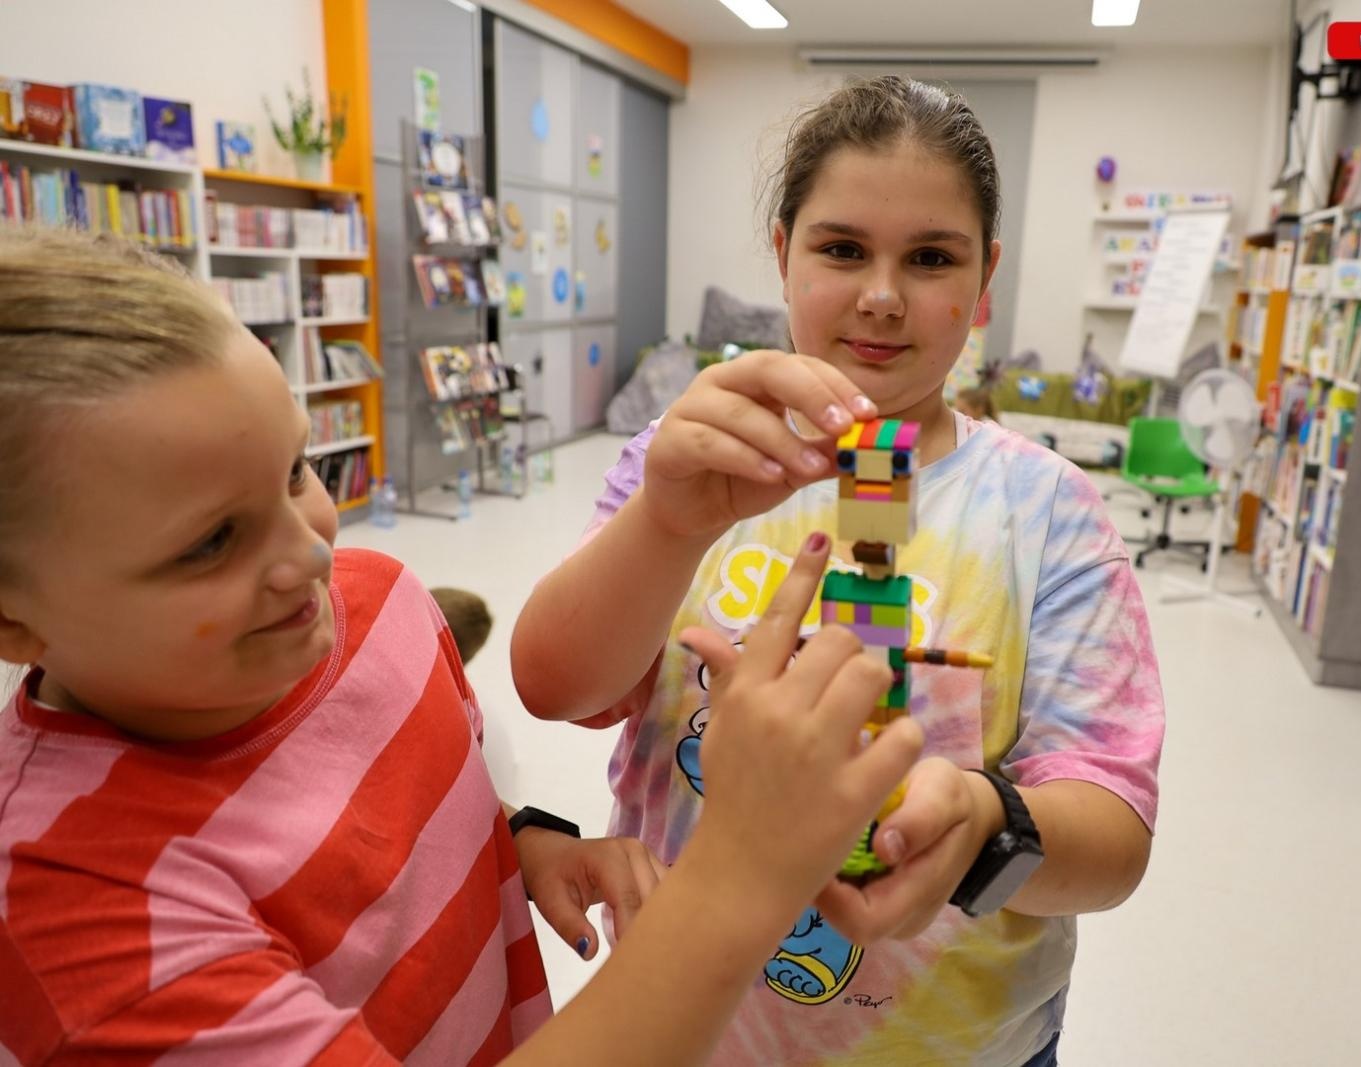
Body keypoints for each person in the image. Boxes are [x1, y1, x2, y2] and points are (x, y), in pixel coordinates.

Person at [0, 228, 921, 1065]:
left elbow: (415, 799)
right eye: (211, 541)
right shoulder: (78, 921)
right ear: (13, 619)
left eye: (296, 471)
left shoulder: (379, 605)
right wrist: (743, 869)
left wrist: (519, 841)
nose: (312, 553)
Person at [512, 75, 1165, 1065]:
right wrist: (664, 523)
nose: (882, 296)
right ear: (783, 253)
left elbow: (1112, 837)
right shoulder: (681, 463)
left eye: (931, 257)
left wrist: (985, 819)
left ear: (984, 274)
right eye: (843, 248)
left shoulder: (1047, 513)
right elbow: (555, 685)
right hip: (686, 1030)